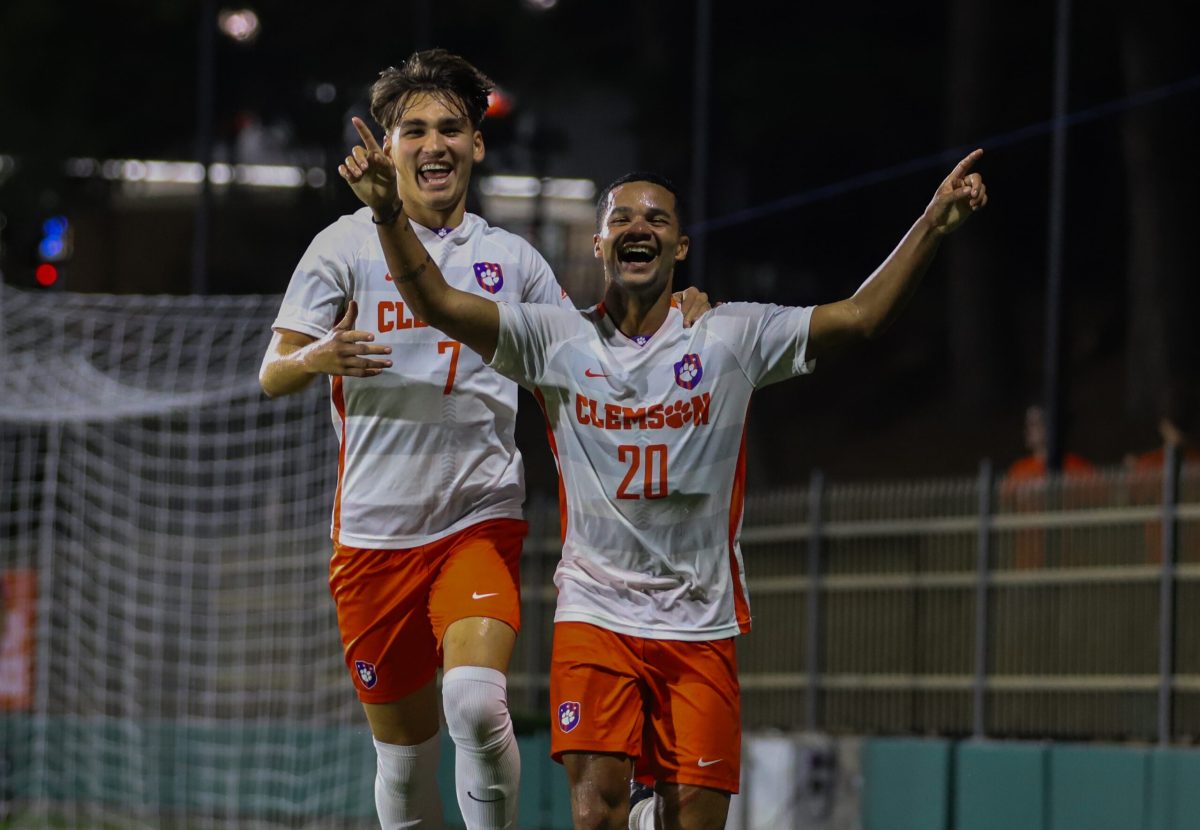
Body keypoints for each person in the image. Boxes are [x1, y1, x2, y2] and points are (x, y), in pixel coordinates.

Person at [339, 118, 986, 828]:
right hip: (597, 614)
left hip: (699, 623)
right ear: (599, 244)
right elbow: (434, 300)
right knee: (595, 813)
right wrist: (388, 212)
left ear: (680, 246)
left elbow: (860, 318)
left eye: (656, 218)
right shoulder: (554, 339)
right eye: (620, 218)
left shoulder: (732, 336)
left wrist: (931, 223)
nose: (636, 227)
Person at [260, 50, 708, 830]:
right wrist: (318, 356)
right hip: (372, 536)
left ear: (476, 145)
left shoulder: (511, 260)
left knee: (474, 701)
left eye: (451, 129)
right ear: (389, 147)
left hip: (479, 519)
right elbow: (272, 372)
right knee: (404, 766)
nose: (434, 144)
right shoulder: (342, 248)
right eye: (415, 130)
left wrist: (678, 316)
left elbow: (592, 355)